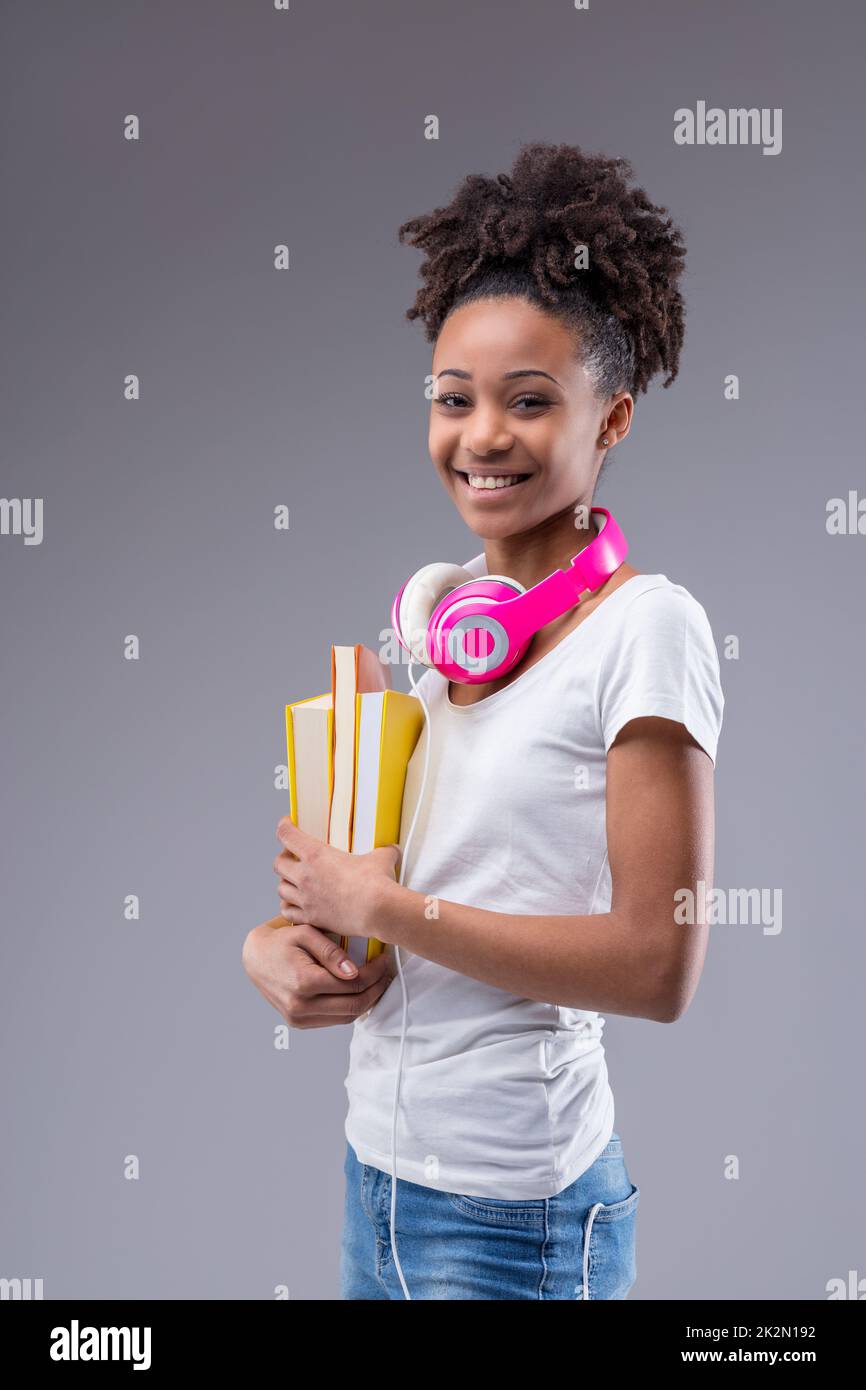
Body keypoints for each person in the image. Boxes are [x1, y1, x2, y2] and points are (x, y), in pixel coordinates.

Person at [242, 141, 724, 1300]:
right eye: (452, 399)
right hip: (378, 1180)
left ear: (608, 421)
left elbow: (656, 964)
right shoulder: (430, 613)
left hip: (518, 1216)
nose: (480, 436)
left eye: (527, 401)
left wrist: (388, 907)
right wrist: (277, 945)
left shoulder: (645, 631)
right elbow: (359, 879)